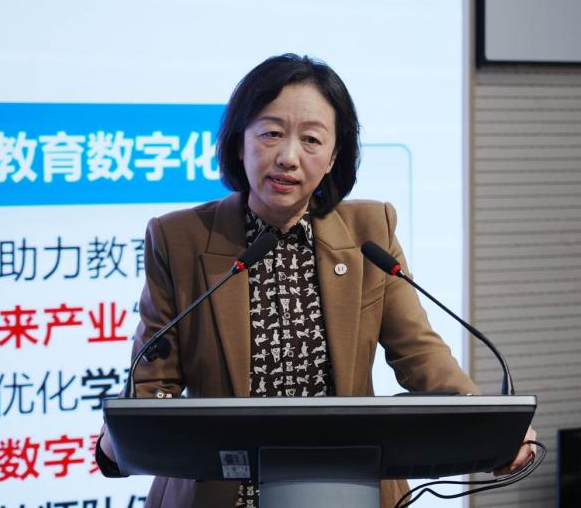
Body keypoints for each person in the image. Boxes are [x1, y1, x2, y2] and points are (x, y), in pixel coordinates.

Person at [95, 53, 536, 508]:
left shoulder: (370, 231)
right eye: (271, 133)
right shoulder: (179, 238)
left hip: (350, 486)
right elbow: (154, 378)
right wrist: (134, 428)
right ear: (239, 143)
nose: (288, 157)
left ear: (333, 156)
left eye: (311, 139)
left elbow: (420, 353)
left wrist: (490, 426)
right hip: (219, 491)